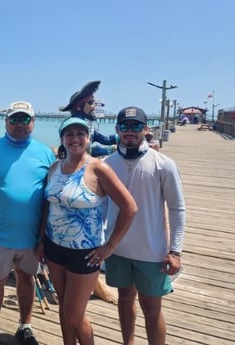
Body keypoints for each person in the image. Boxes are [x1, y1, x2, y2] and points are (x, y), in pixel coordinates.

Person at [37, 117, 137, 345]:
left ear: (88, 138)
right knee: (63, 307)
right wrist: (41, 239)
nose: (75, 139)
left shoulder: (98, 168)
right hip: (54, 248)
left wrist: (109, 246)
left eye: (80, 134)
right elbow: (47, 205)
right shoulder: (54, 168)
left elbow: (130, 208)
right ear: (62, 140)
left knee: (74, 313)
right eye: (69, 134)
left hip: (86, 253)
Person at [0, 101, 56, 345]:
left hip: (31, 238)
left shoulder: (46, 153)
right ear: (6, 122)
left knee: (26, 279)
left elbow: (53, 195)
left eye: (24, 119)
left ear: (33, 122)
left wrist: (47, 236)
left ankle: (25, 326)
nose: (19, 124)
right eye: (14, 119)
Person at [104, 106, 186, 345]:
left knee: (152, 307)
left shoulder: (163, 164)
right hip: (116, 249)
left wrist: (175, 251)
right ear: (117, 129)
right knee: (125, 299)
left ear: (146, 129)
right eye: (125, 127)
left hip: (151, 252)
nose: (130, 131)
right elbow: (100, 207)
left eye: (136, 126)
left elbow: (177, 208)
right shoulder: (106, 164)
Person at [59, 81, 118, 157]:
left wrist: (122, 136)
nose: (94, 106)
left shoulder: (87, 124)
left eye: (94, 103)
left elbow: (104, 139)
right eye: (90, 103)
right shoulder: (74, 126)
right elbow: (83, 148)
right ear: (79, 107)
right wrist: (109, 150)